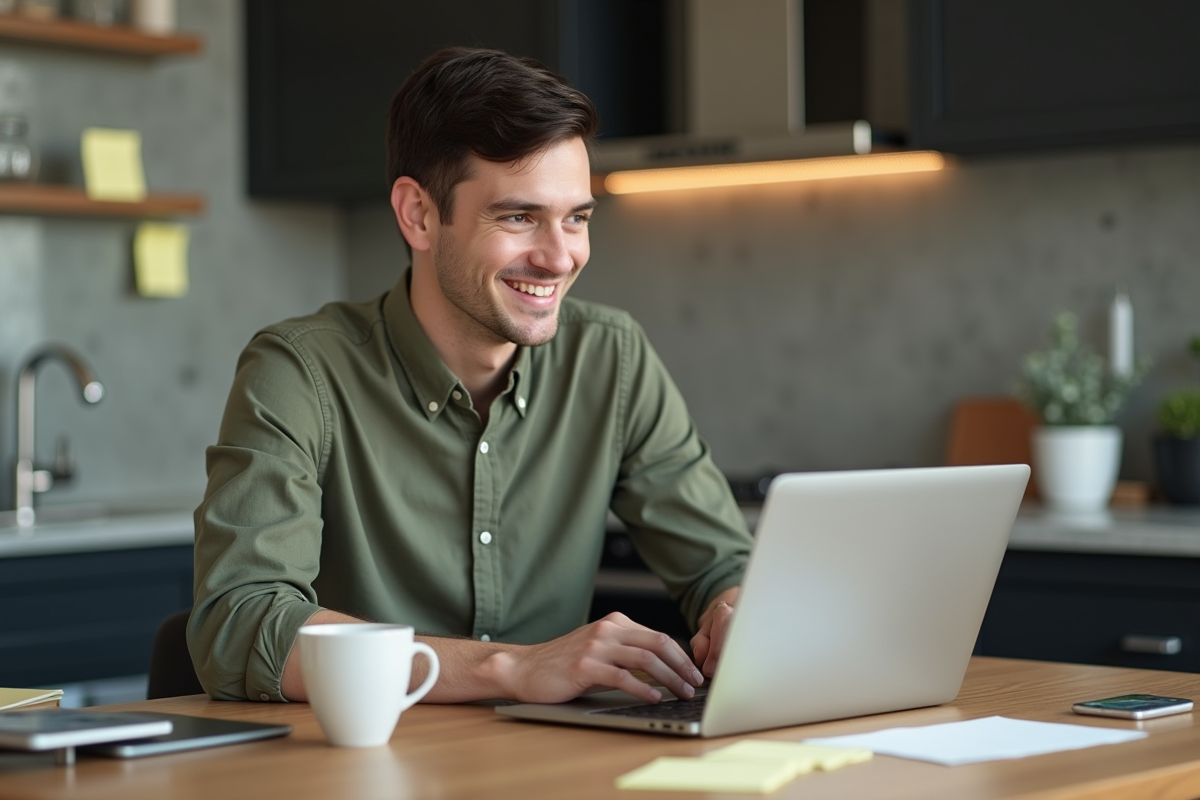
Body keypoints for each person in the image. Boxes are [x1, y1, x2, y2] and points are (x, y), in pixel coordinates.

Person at [188, 47, 753, 705]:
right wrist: (509, 668)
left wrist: (736, 609)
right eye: (519, 217)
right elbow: (240, 623)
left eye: (576, 218)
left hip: (556, 754)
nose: (559, 257)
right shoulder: (298, 372)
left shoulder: (612, 357)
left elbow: (722, 565)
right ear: (419, 215)